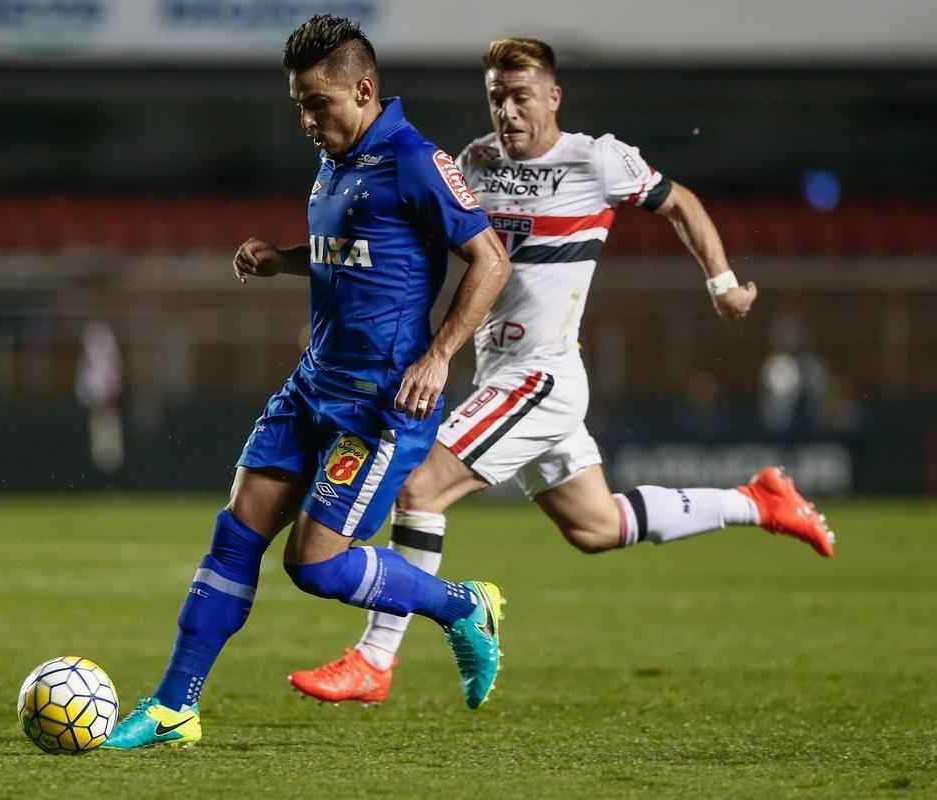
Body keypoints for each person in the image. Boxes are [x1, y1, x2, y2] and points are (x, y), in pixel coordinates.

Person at [289, 38, 836, 706]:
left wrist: (720, 281)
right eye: (497, 99)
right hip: (500, 374)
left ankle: (376, 660)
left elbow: (682, 203)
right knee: (595, 527)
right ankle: (758, 502)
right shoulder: (473, 162)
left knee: (421, 485)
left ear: (553, 97)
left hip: (541, 376)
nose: (508, 113)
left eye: (521, 97)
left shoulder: (597, 159)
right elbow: (403, 243)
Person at [104, 15, 512, 750]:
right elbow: (354, 252)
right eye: (298, 104)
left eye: (317, 103)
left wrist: (440, 354)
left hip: (380, 403)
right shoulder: (336, 158)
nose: (306, 119)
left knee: (313, 565)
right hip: (310, 386)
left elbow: (490, 260)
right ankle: (174, 707)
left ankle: (461, 606)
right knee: (234, 538)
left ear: (363, 89)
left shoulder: (417, 160)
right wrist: (283, 260)